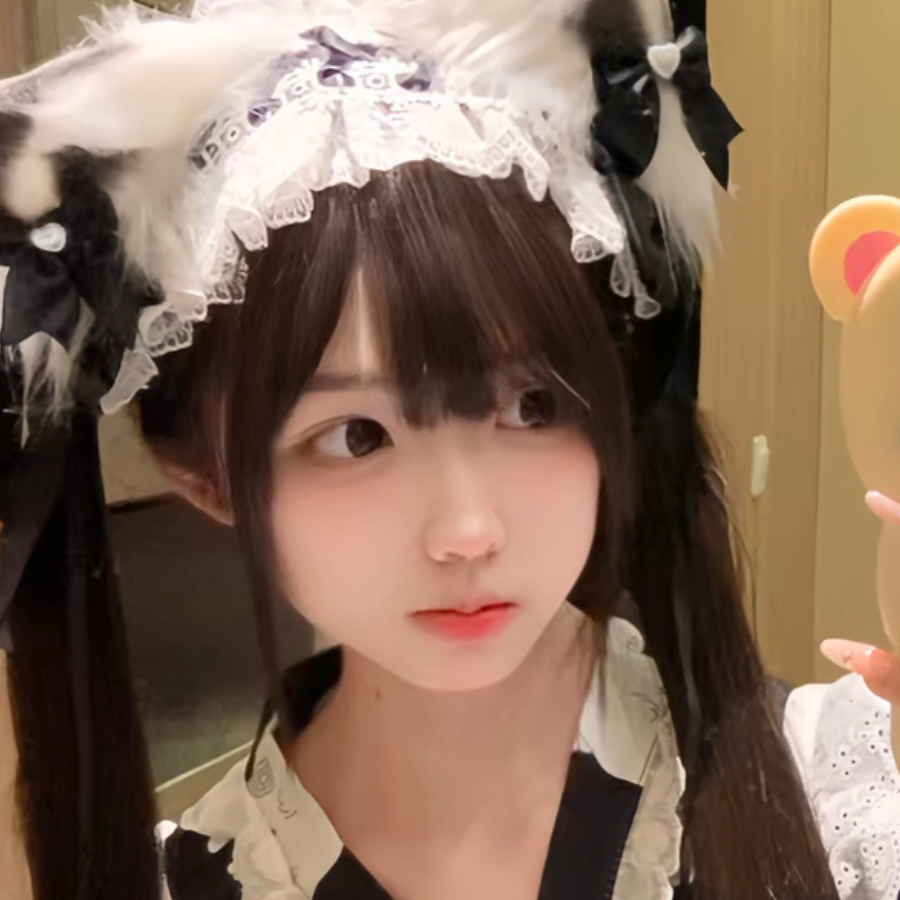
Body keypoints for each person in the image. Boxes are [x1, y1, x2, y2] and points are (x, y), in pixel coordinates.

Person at [0, 2, 896, 900]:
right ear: (204, 473)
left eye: (534, 405)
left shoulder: (840, 785)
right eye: (356, 437)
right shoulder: (187, 882)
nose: (469, 531)